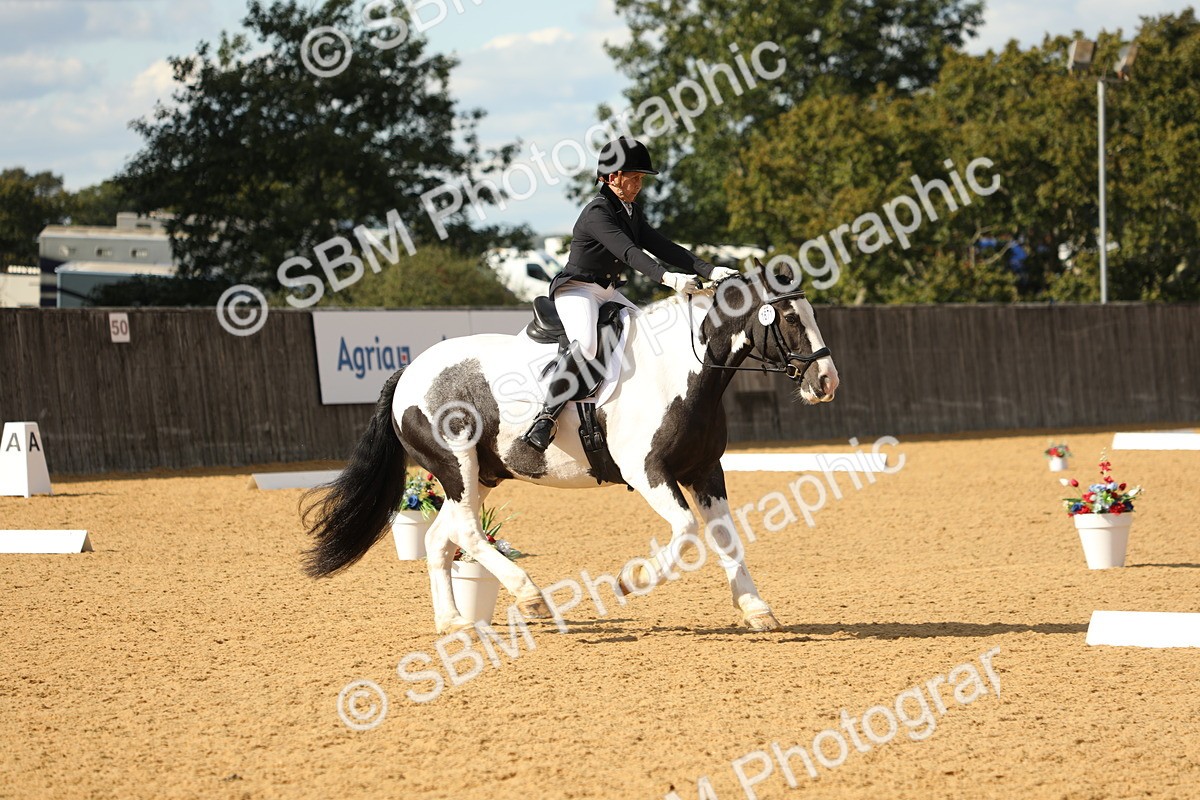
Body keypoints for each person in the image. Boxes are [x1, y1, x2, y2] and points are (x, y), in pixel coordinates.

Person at [521, 137, 740, 451]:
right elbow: (629, 252)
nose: (639, 184)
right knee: (587, 345)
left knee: (644, 337)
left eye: (641, 179)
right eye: (634, 178)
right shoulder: (597, 212)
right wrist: (667, 278)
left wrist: (709, 270)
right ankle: (546, 417)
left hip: (607, 291)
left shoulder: (630, 211)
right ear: (612, 178)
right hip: (577, 291)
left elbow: (662, 246)